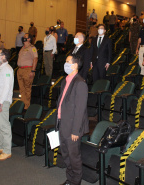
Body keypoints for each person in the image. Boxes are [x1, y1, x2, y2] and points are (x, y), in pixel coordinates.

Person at [56, 54, 89, 185]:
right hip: (62, 124)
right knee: (66, 155)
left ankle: (76, 182)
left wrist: (76, 131)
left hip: (72, 128)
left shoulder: (80, 83)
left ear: (75, 65)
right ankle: (70, 179)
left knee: (74, 157)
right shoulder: (65, 81)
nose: (65, 64)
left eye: (68, 61)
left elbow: (80, 110)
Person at [17, 33, 38, 110]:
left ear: (29, 39)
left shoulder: (32, 48)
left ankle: (27, 106)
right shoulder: (22, 48)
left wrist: (33, 71)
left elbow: (35, 59)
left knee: (27, 88)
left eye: (25, 37)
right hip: (20, 70)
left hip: (28, 70)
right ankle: (22, 104)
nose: (23, 38)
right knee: (21, 89)